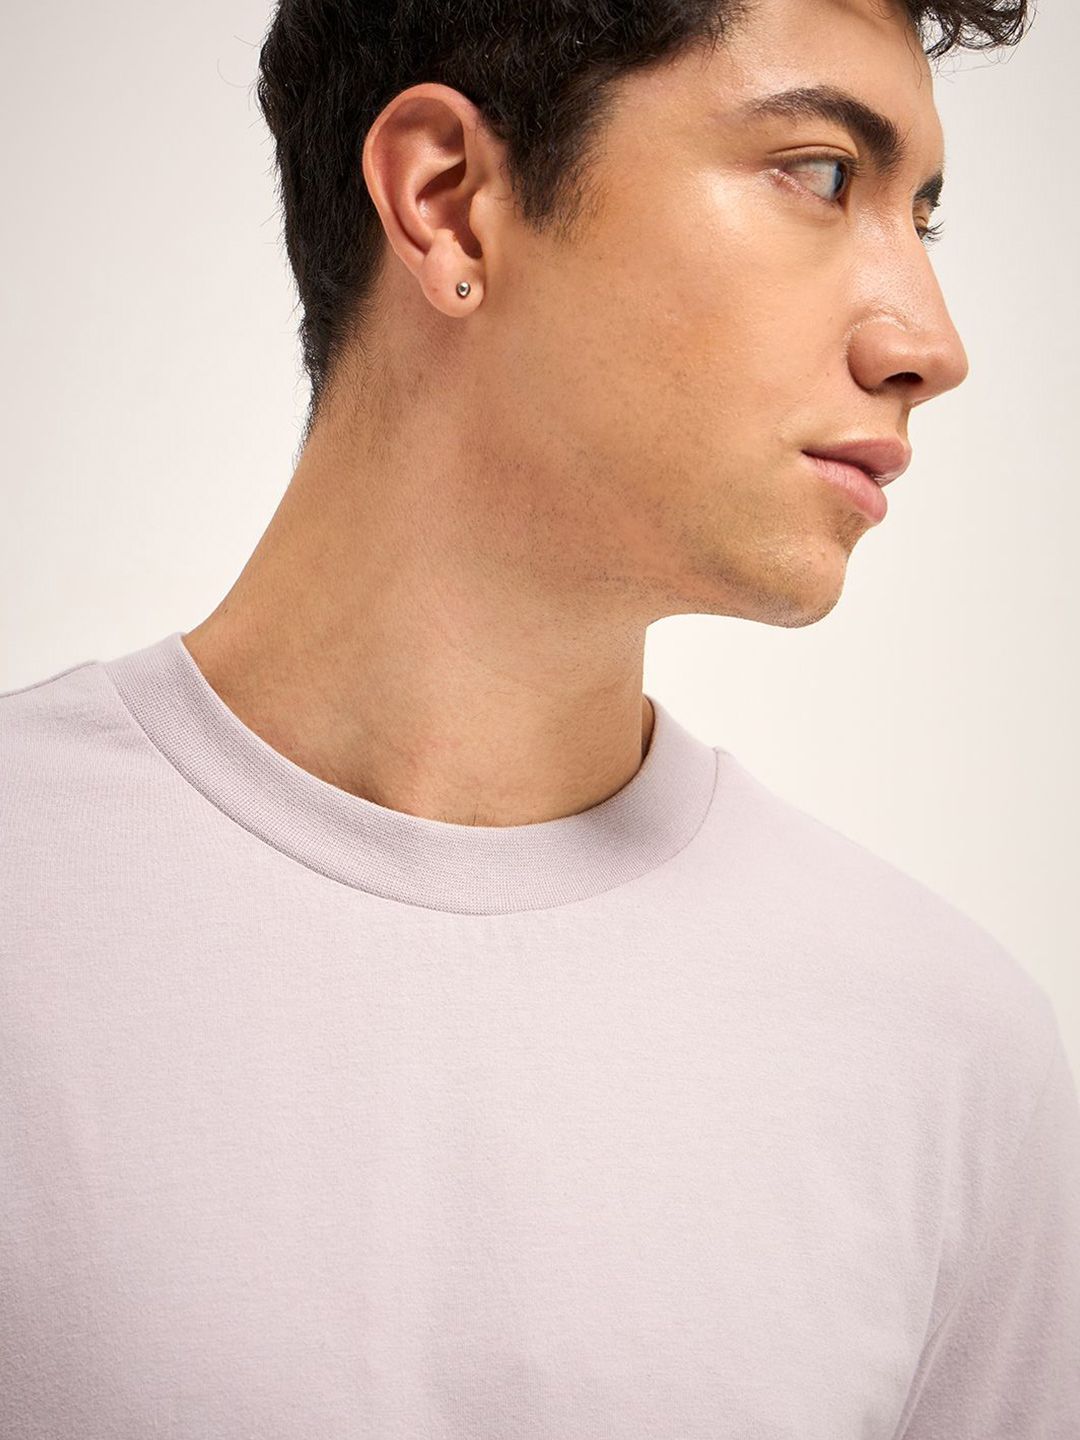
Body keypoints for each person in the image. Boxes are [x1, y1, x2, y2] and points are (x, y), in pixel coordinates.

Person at [3, 0, 1077, 1434]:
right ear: (450, 201)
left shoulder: (950, 1057)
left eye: (922, 217)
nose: (930, 345)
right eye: (821, 174)